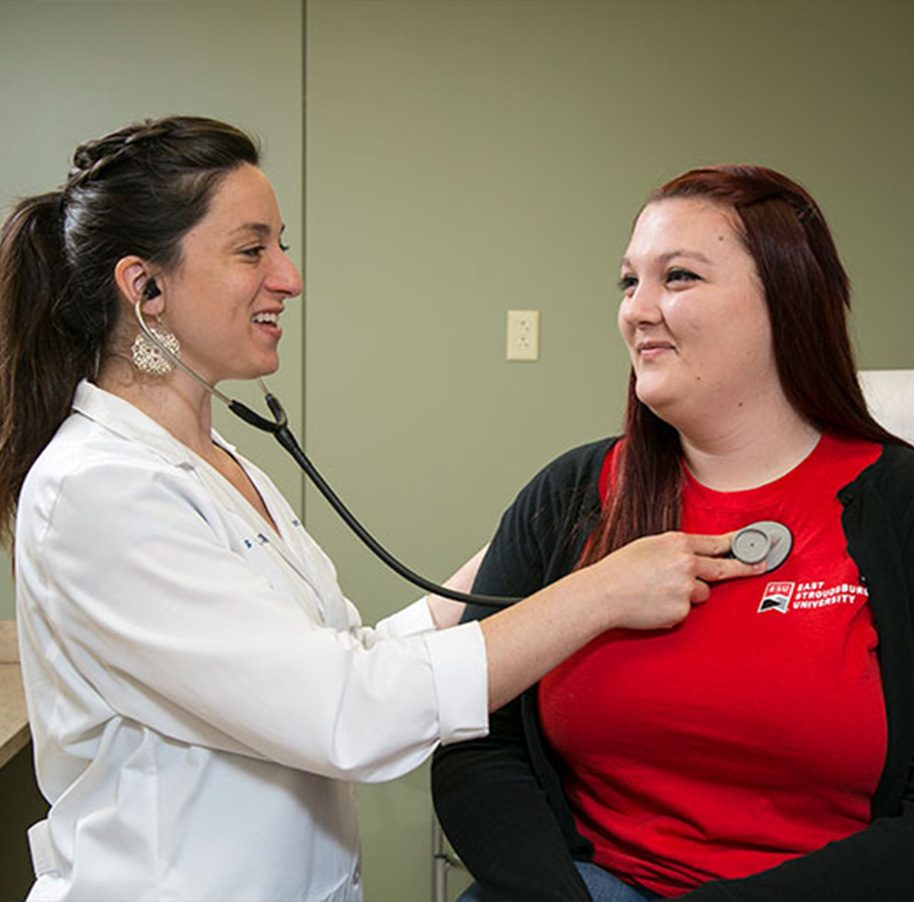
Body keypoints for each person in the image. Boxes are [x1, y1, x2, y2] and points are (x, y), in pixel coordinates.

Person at [0, 118, 763, 902]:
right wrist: (597, 595)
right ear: (146, 288)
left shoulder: (221, 465)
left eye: (281, 245)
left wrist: (517, 561)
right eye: (251, 249)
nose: (289, 277)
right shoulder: (99, 489)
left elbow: (342, 654)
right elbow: (346, 710)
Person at [432, 164, 914, 901]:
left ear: (788, 300)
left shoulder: (899, 505)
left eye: (678, 277)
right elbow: (478, 736)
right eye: (629, 282)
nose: (637, 310)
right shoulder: (571, 497)